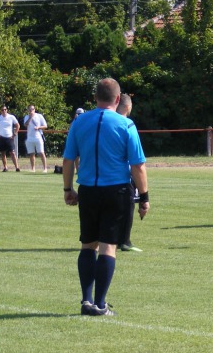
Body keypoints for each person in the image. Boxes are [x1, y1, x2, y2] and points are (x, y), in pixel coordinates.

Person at [62, 78, 149, 317]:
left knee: (87, 244)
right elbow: (138, 165)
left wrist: (68, 189)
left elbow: (68, 159)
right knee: (108, 247)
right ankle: (100, 304)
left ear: (95, 98)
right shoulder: (127, 125)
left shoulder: (79, 123)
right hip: (116, 191)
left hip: (89, 190)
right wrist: (145, 197)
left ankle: (86, 300)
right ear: (118, 99)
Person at [117, 94, 142, 252]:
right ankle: (125, 241)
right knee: (128, 206)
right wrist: (145, 196)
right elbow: (137, 161)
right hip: (123, 175)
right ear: (127, 107)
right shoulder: (127, 124)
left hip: (97, 178)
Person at [0, 105, 21, 172]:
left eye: (5, 109)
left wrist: (15, 133)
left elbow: (18, 125)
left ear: (7, 110)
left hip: (9, 137)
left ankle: (17, 167)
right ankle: (5, 167)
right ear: (0, 111)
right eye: (2, 110)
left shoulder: (11, 117)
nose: (4, 111)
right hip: (1, 137)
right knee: (3, 153)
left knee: (12, 153)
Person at [23, 104, 48, 172]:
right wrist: (30, 117)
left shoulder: (39, 116)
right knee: (31, 153)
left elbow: (45, 126)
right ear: (28, 110)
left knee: (41, 153)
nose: (31, 111)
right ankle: (33, 168)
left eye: (32, 109)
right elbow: (25, 125)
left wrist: (38, 127)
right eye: (30, 109)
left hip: (38, 137)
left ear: (34, 109)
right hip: (30, 138)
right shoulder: (26, 117)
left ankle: (45, 168)